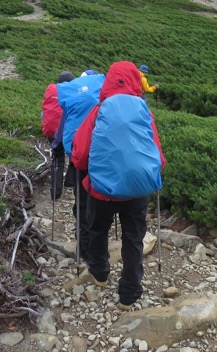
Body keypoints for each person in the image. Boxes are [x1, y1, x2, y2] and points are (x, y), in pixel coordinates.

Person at [71, 61, 166, 311]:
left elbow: (79, 155)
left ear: (109, 81)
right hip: (137, 192)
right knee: (133, 238)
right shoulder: (144, 111)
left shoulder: (98, 110)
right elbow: (158, 155)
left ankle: (101, 274)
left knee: (97, 230)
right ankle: (129, 292)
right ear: (136, 81)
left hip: (102, 190)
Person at [53, 69, 106, 260]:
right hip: (102, 155)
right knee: (99, 199)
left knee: (82, 199)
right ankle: (99, 247)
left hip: (78, 153)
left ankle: (84, 248)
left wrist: (56, 145)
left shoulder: (73, 96)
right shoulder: (104, 96)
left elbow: (63, 126)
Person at [41, 71, 74, 200]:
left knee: (57, 158)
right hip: (67, 131)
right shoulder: (74, 92)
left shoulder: (51, 90)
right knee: (74, 155)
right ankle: (70, 182)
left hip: (52, 131)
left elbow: (45, 112)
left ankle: (55, 192)